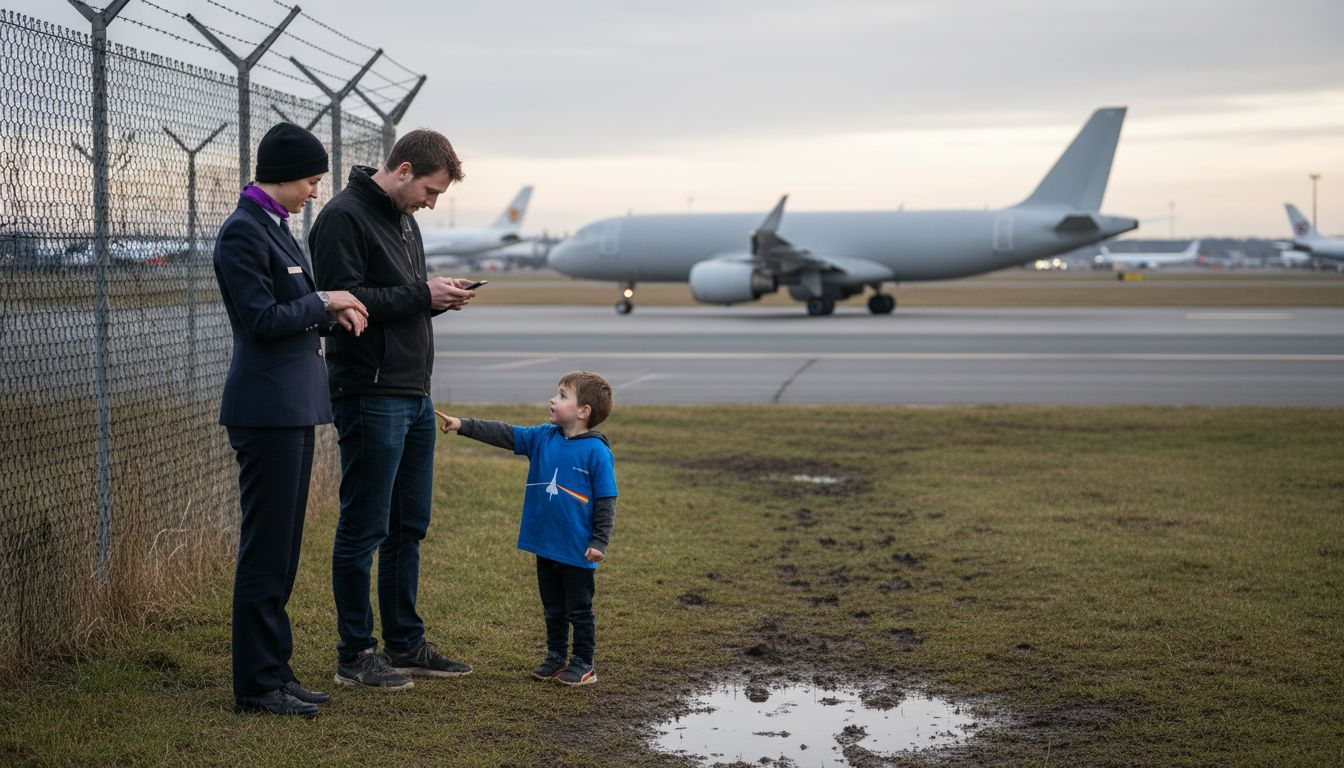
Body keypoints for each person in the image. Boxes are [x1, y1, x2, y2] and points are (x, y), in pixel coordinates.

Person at [310, 129, 478, 689]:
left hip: (413, 393)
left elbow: (401, 301)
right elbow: (344, 301)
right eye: (430, 191)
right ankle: (356, 654)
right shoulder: (343, 216)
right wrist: (419, 295)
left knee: (410, 524)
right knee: (365, 527)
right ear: (403, 170)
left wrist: (437, 298)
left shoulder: (405, 221)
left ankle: (405, 644)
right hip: (370, 393)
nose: (432, 204)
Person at [213, 122, 369, 717]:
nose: (312, 191)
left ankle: (276, 670)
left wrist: (335, 313)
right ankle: (256, 685)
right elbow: (261, 319)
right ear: (281, 175)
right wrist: (324, 300)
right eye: (309, 180)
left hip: (293, 407)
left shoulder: (274, 227)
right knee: (266, 549)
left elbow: (294, 310)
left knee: (283, 550)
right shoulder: (242, 233)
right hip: (265, 411)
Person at [438, 371, 618, 686]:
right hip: (546, 544)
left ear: (583, 411)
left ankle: (583, 663)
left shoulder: (596, 452)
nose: (553, 399)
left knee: (579, 609)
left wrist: (599, 541)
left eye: (563, 395)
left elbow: (606, 500)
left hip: (577, 549)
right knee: (553, 608)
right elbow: (505, 433)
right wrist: (463, 425)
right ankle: (555, 657)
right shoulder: (543, 436)